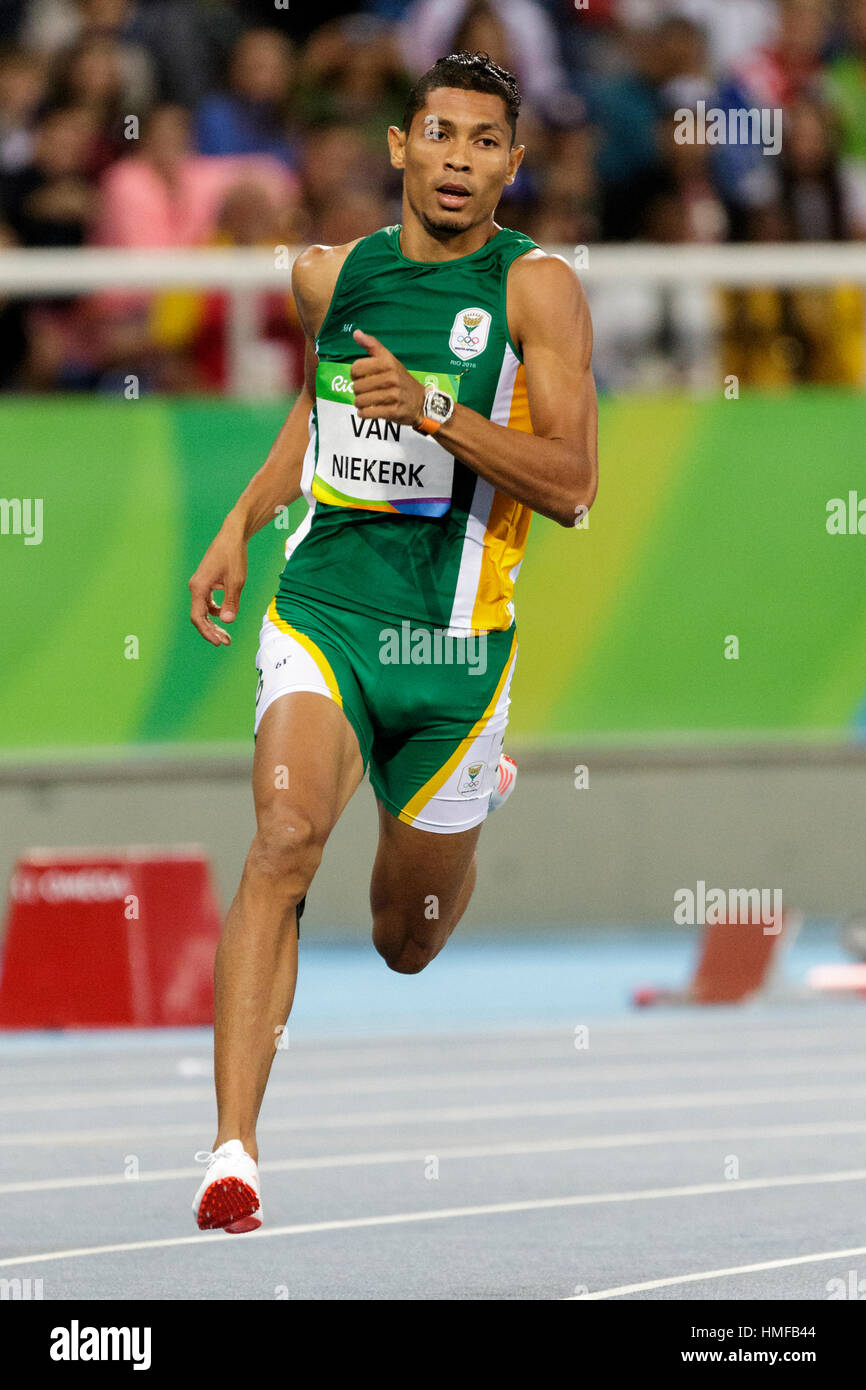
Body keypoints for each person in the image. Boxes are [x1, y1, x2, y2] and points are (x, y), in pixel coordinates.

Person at [188, 49, 598, 1234]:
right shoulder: (332, 276)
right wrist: (243, 516)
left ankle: (476, 795)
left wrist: (433, 409)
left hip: (455, 655)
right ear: (397, 148)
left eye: (483, 141)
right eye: (439, 134)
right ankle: (232, 1151)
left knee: (402, 940)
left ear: (512, 166)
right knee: (282, 837)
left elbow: (572, 487)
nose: (457, 159)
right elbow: (314, 413)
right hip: (325, 611)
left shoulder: (537, 293)